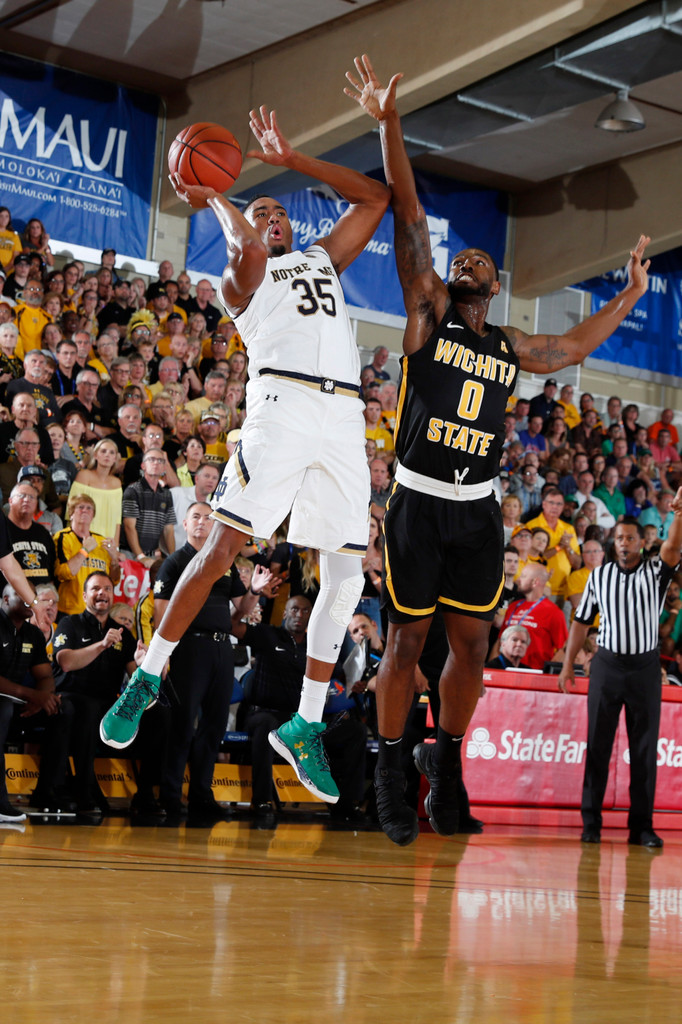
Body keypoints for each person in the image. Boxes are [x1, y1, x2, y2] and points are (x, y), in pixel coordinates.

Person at [344, 54, 651, 844]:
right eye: (461, 261)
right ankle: (389, 768)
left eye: (480, 260)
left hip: (477, 509)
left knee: (472, 643)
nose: (467, 262)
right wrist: (389, 123)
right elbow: (411, 214)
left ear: (497, 283)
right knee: (406, 640)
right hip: (418, 500)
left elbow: (574, 344)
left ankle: (445, 766)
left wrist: (628, 294)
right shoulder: (428, 313)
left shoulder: (510, 346)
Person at [100, 99, 389, 811]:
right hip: (281, 408)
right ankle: (148, 674)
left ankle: (306, 722)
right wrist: (215, 196)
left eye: (280, 212)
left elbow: (375, 197)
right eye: (261, 213)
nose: (272, 219)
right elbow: (248, 252)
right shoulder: (245, 283)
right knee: (221, 549)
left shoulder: (320, 261)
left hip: (343, 417)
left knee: (346, 578)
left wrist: (292, 160)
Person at [558, 506, 682, 849]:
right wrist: (567, 664)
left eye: (630, 538)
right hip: (607, 667)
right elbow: (581, 622)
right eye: (619, 538)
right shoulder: (599, 576)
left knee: (644, 750)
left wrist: (679, 515)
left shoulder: (656, 571)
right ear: (613, 543)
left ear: (641, 542)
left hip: (644, 669)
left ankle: (642, 828)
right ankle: (591, 824)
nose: (624, 543)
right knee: (597, 744)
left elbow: (673, 546)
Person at [153, 503, 269, 821]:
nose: (203, 522)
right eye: (196, 517)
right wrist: (163, 653)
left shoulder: (223, 562)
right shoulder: (175, 562)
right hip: (189, 647)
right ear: (185, 524)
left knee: (215, 725)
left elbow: (241, 609)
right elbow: (161, 611)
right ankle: (170, 795)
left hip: (222, 648)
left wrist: (254, 591)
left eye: (208, 517)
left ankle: (201, 794)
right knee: (182, 724)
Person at [234, 594, 367, 826]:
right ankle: (262, 800)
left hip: (302, 721)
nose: (300, 615)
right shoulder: (267, 635)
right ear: (285, 613)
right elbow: (233, 626)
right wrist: (251, 597)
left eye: (306, 611)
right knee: (267, 725)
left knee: (355, 731)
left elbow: (343, 676)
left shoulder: (317, 648)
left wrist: (354, 683)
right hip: (267, 713)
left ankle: (345, 804)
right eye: (295, 609)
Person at [53, 571, 167, 816]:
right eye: (95, 588)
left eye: (107, 589)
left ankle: (145, 794)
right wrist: (102, 645)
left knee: (159, 715)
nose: (101, 593)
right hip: (73, 695)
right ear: (85, 596)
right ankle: (83, 791)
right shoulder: (70, 623)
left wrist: (142, 664)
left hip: (109, 701)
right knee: (87, 708)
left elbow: (135, 676)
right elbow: (66, 663)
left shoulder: (122, 632)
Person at [0, 582, 67, 821]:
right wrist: (32, 695)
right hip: (5, 703)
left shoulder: (33, 634)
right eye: (23, 594)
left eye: (33, 595)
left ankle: (47, 792)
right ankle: (1, 803)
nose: (32, 599)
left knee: (61, 710)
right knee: (2, 709)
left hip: (19, 704)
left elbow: (45, 676)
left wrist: (42, 699)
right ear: (5, 599)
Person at [53, 492, 120, 615]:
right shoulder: (63, 537)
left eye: (89, 508)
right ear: (71, 514)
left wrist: (114, 560)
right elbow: (63, 573)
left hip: (97, 610)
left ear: (93, 515)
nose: (85, 510)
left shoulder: (102, 541)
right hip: (70, 610)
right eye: (80, 507)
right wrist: (84, 550)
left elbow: (114, 580)